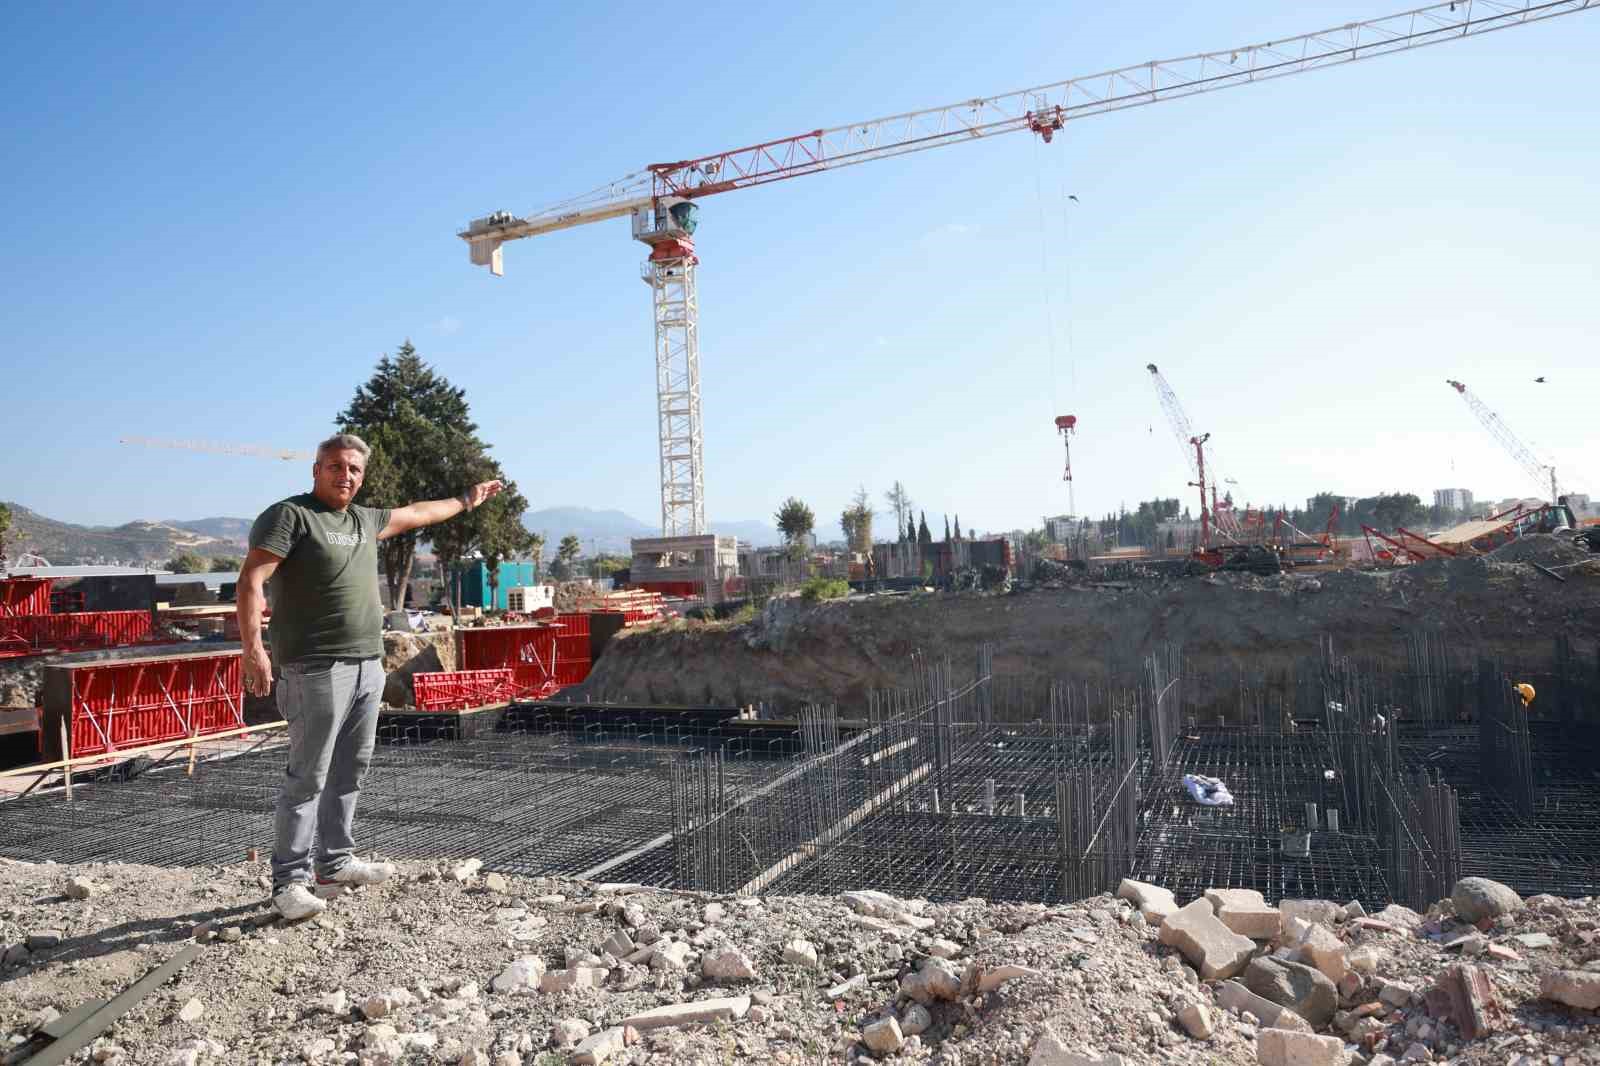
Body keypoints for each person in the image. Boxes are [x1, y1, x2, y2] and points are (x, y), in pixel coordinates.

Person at [237, 432, 503, 919]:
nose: (346, 476)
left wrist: (467, 500)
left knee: (349, 770)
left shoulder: (364, 520)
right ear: (316, 469)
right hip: (313, 666)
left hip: (367, 664)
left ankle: (334, 863)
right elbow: (252, 578)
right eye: (336, 466)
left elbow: (420, 512)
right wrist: (253, 649)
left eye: (354, 470)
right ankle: (288, 881)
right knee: (307, 777)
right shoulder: (290, 516)